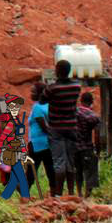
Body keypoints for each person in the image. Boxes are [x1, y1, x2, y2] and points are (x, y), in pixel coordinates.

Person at [45, 60, 82, 197]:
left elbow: (43, 99)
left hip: (56, 127)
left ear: (57, 71)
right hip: (71, 126)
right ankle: (71, 193)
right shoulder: (76, 86)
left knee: (59, 161)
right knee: (70, 161)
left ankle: (58, 195)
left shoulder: (52, 88)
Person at [73, 91, 101, 198]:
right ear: (91, 102)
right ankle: (87, 196)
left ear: (81, 101)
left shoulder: (74, 112)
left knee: (78, 171)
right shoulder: (93, 116)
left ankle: (79, 193)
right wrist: (98, 150)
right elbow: (97, 135)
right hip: (87, 147)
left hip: (74, 147)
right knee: (90, 172)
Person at [27, 83, 53, 195]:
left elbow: (44, 127)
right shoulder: (49, 106)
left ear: (40, 93)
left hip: (37, 144)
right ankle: (54, 194)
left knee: (31, 170)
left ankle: (24, 194)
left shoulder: (37, 107)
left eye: (33, 91)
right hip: (49, 143)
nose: (31, 94)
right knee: (50, 169)